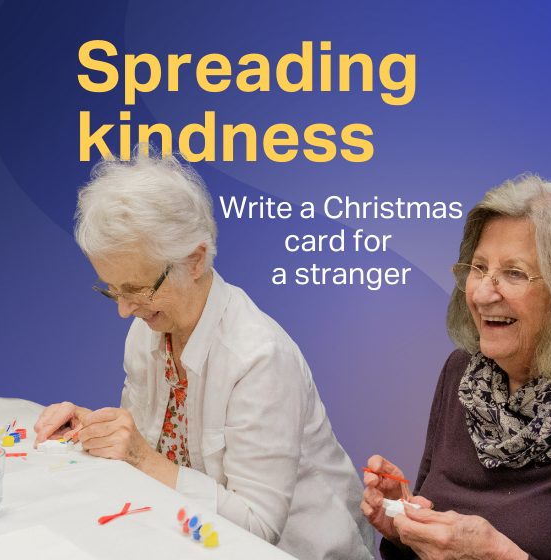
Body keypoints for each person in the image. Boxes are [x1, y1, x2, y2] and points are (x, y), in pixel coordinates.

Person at [34, 147, 375, 560]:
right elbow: (149, 450)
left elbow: (258, 528)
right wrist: (93, 431)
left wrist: (139, 457)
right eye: (112, 290)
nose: (124, 310)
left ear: (195, 260)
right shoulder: (150, 329)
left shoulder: (258, 357)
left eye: (138, 289)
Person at [361, 175, 551, 560]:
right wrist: (404, 526)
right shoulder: (463, 374)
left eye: (514, 273)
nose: (480, 293)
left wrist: (499, 556)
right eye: (478, 268)